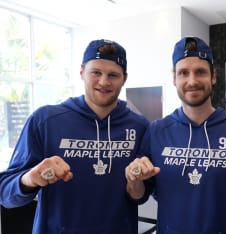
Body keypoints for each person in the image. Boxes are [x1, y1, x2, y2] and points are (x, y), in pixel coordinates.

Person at [0, 39, 149, 234]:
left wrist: (135, 180)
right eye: (96, 72)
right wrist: (30, 178)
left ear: (124, 78)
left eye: (113, 75)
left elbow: (139, 196)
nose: (104, 82)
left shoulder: (140, 126)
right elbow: (6, 194)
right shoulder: (45, 120)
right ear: (82, 73)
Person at [125, 36, 226, 233]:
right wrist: (133, 178)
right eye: (183, 73)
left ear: (213, 76)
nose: (192, 81)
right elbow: (139, 195)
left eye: (200, 72)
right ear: (174, 79)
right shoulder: (156, 132)